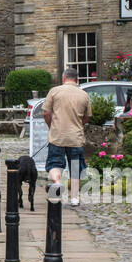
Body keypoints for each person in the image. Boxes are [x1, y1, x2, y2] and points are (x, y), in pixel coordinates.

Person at [43, 68, 92, 207]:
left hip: (57, 135)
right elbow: (87, 117)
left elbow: (46, 113)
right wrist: (78, 124)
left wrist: (51, 126)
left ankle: (57, 184)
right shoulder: (84, 95)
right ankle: (75, 198)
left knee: (54, 164)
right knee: (75, 167)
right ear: (77, 80)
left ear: (64, 78)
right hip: (75, 137)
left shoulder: (54, 91)